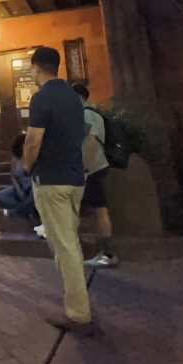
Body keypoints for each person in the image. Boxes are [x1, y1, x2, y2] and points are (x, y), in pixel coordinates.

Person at [22, 46, 95, 336]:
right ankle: (76, 300)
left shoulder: (42, 98)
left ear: (36, 68)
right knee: (69, 243)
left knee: (64, 247)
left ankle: (78, 313)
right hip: (74, 178)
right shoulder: (72, 97)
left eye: (31, 68)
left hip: (51, 179)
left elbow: (32, 141)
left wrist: (27, 167)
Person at [72, 83, 119, 269]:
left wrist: (83, 169)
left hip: (92, 169)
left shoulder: (87, 114)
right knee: (94, 208)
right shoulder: (89, 113)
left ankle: (107, 254)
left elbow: (90, 143)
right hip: (94, 168)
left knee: (99, 209)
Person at [0, 133, 37, 220]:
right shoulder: (15, 160)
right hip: (20, 188)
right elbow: (13, 178)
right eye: (24, 144)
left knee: (35, 196)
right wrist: (19, 190)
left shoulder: (34, 158)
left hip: (33, 188)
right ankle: (27, 210)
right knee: (1, 195)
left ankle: (12, 212)